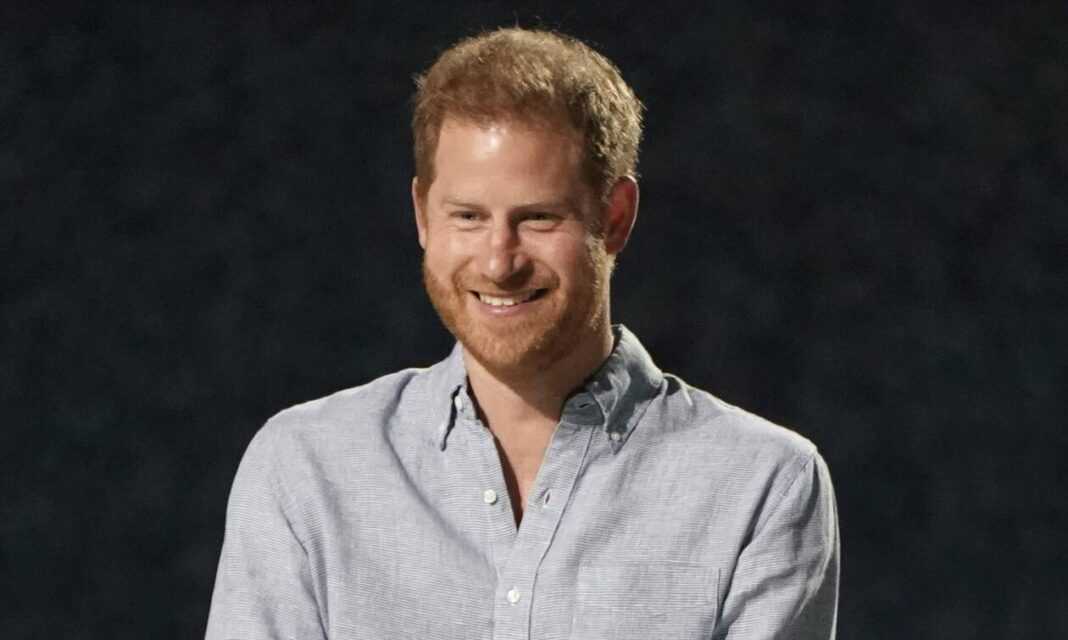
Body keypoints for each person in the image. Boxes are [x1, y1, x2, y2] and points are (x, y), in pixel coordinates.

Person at [206, 27, 839, 640]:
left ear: (615, 218)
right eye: (467, 217)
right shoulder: (306, 467)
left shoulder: (761, 485)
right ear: (423, 215)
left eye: (538, 218)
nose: (498, 262)